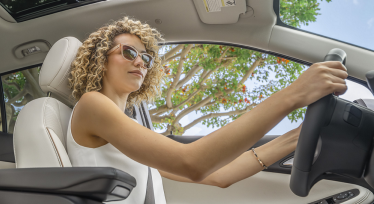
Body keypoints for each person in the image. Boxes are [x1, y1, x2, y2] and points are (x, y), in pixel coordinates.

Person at [66, 17, 348, 204]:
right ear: (101, 61)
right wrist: (294, 94)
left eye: (147, 57)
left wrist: (298, 136)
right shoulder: (92, 105)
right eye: (129, 52)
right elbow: (193, 162)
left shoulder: (128, 133)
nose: (141, 62)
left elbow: (220, 176)